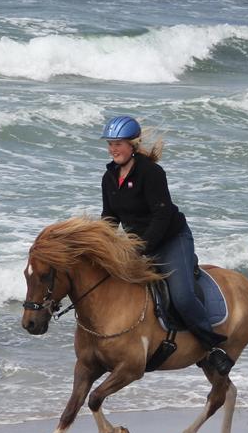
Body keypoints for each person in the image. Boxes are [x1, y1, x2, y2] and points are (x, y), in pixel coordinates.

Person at [99, 115, 234, 374]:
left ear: (133, 144)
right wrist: (102, 246)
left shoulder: (151, 173)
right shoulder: (109, 177)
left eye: (119, 143)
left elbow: (162, 216)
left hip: (171, 239)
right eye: (110, 143)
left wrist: (140, 248)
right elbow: (110, 217)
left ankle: (212, 346)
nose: (113, 148)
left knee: (182, 296)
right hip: (137, 243)